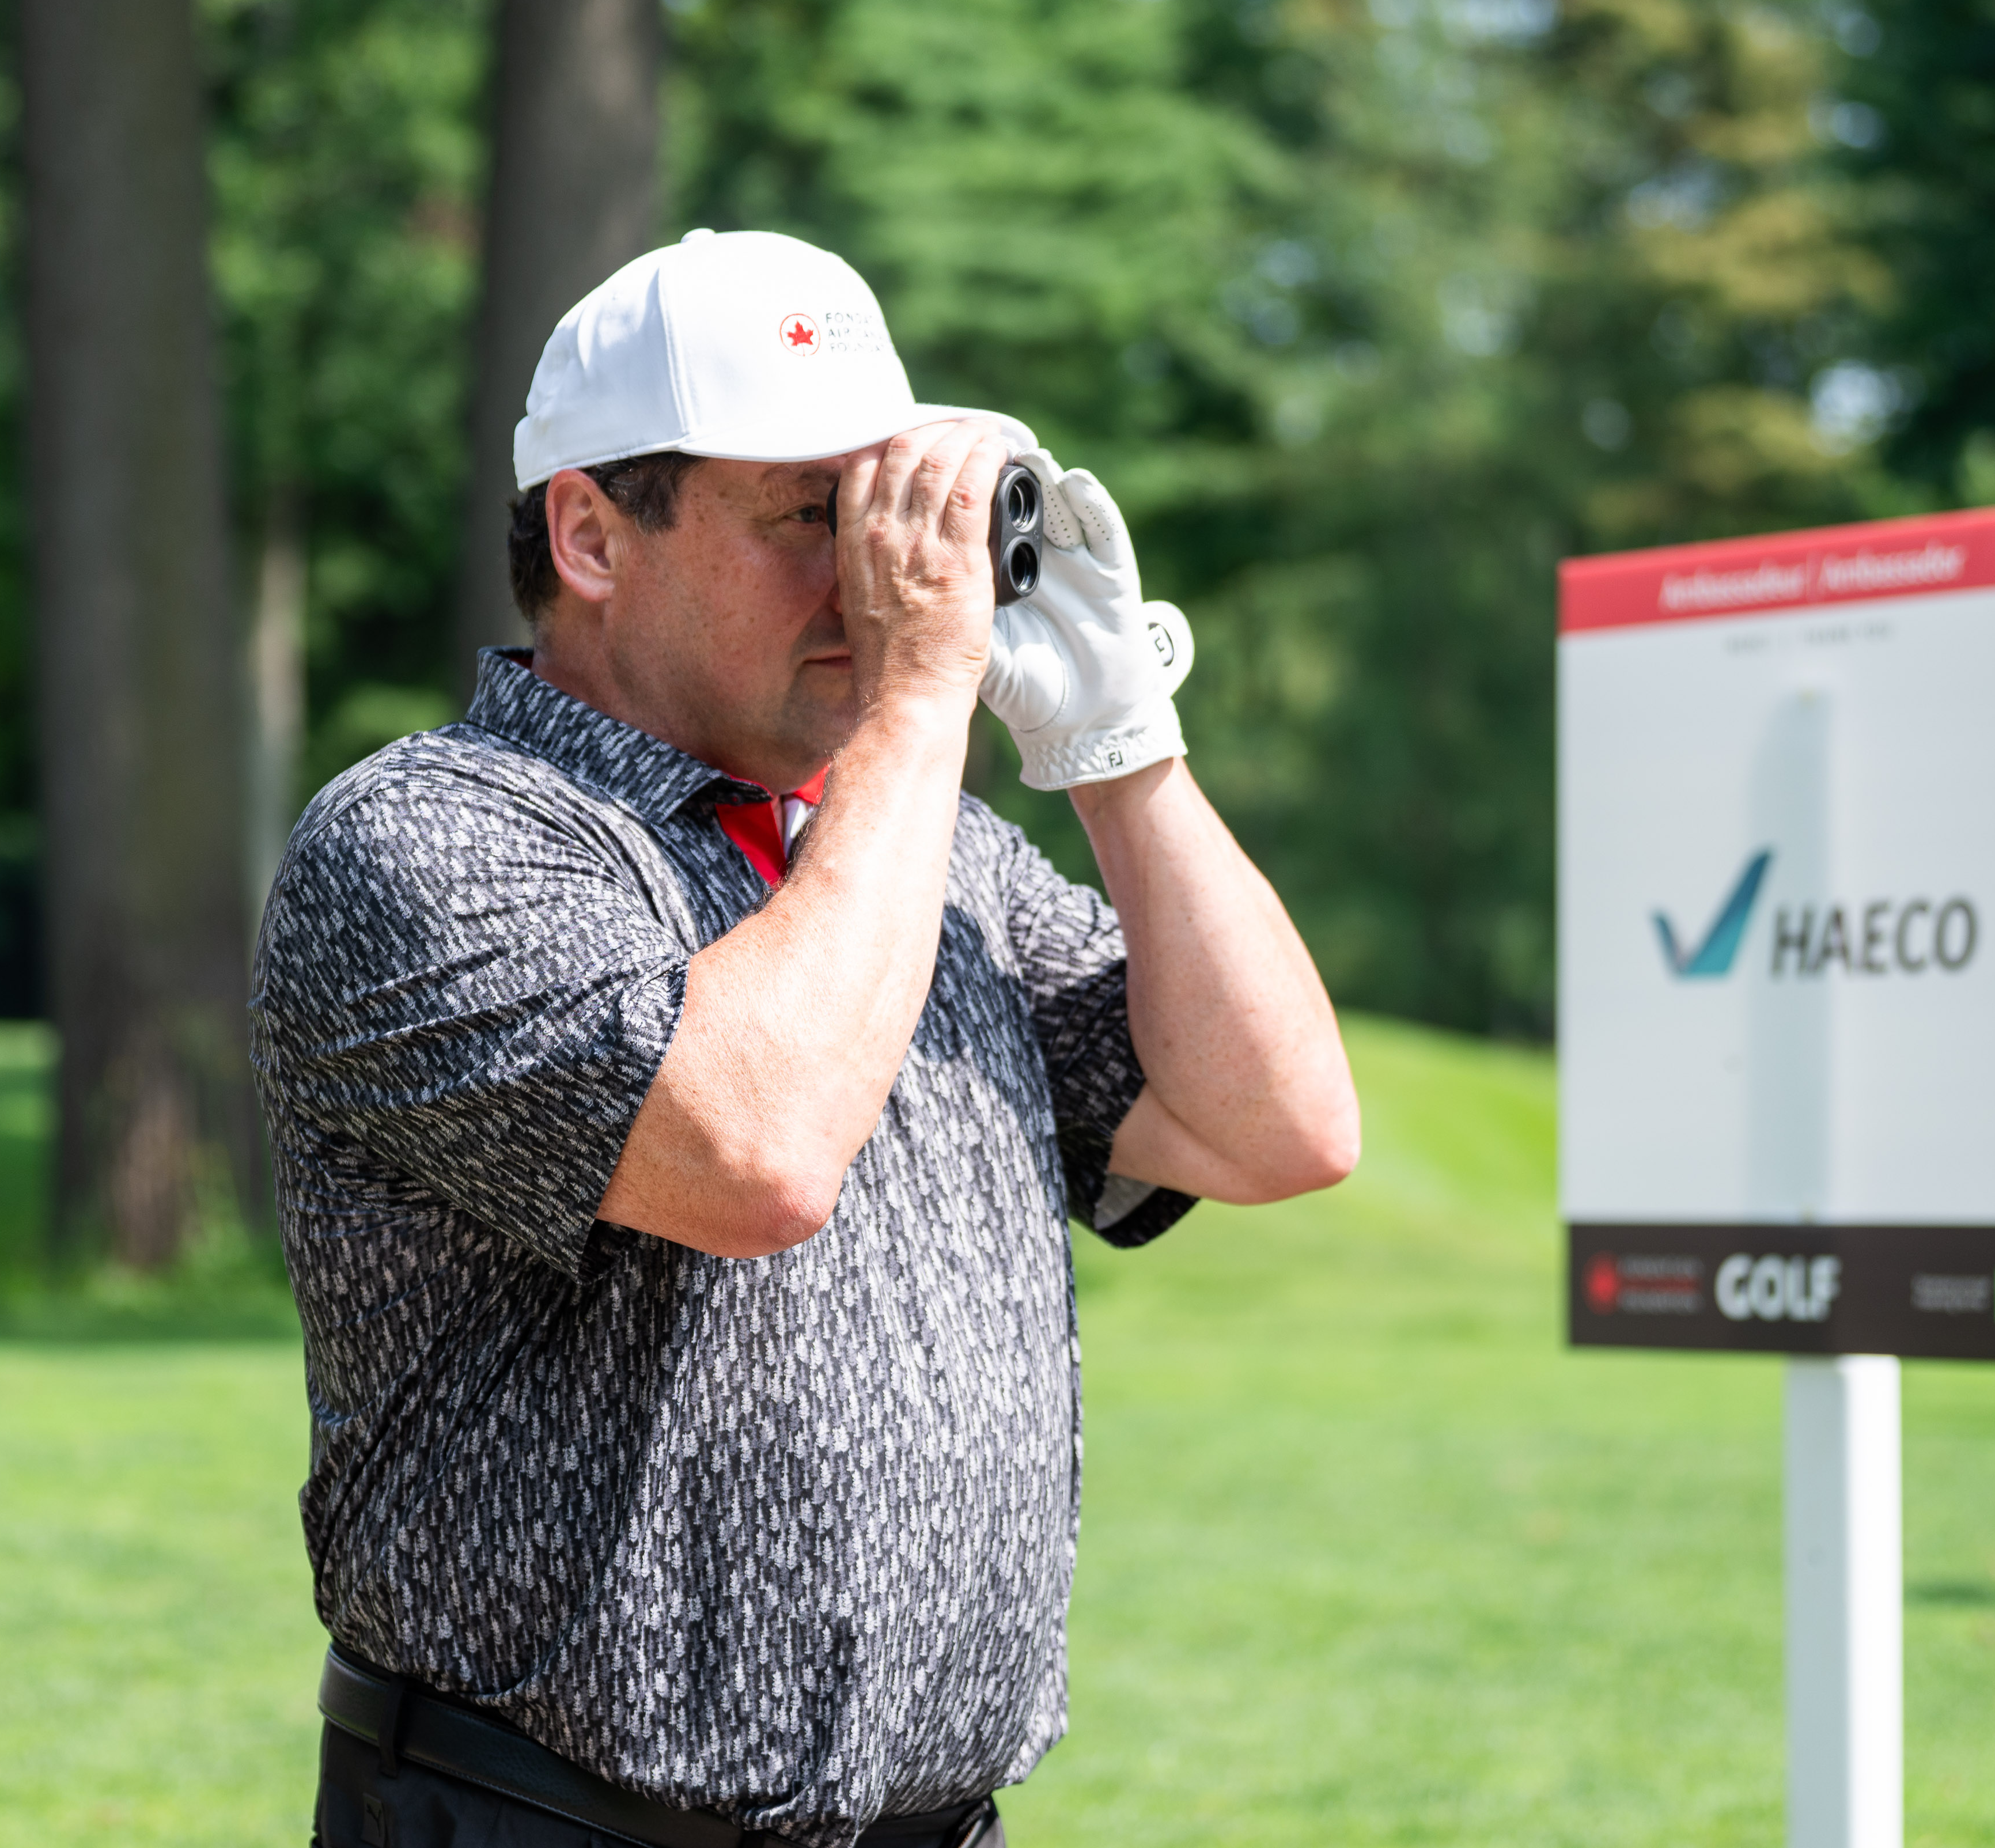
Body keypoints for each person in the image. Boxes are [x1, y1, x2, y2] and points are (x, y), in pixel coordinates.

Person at [252, 228, 1358, 1848]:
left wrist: (1119, 738)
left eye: (894, 515)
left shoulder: (929, 853)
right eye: (812, 519)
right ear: (590, 535)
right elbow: (753, 1155)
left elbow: (1278, 1126)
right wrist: (920, 702)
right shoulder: (424, 835)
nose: (885, 579)